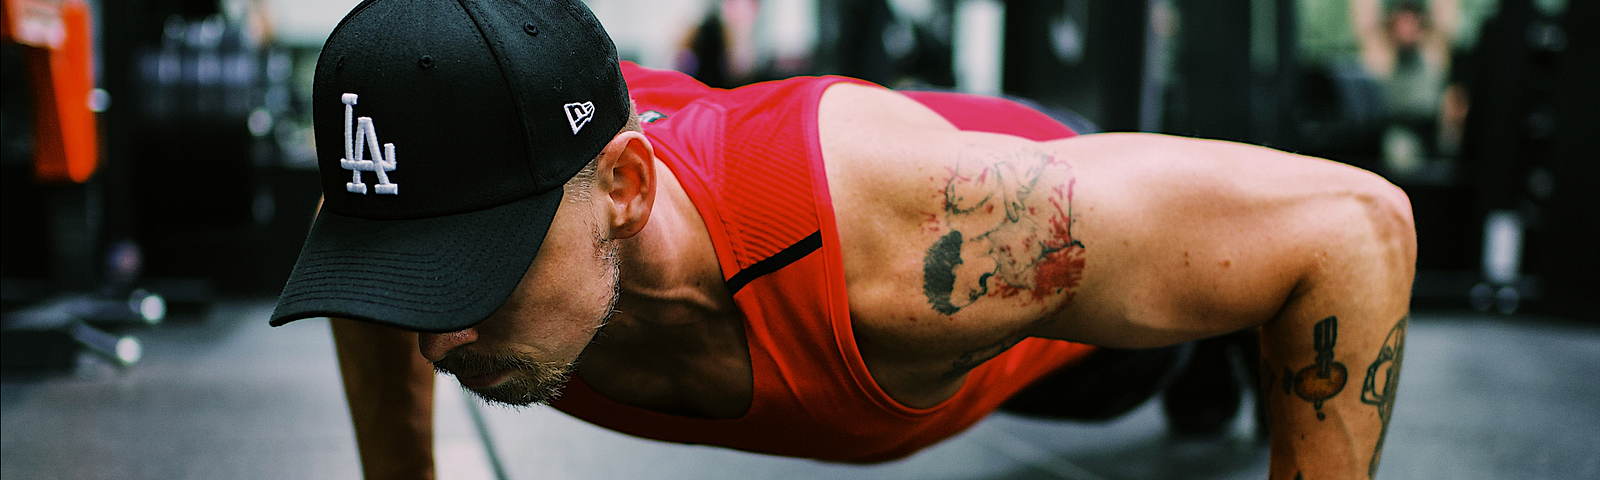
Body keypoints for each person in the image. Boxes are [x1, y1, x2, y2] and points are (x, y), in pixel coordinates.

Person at [270, 0, 1415, 479]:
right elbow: (360, 251)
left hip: (1065, 315)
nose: (438, 331)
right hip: (904, 336)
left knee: (1190, 349)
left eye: (474, 275)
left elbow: (1353, 227)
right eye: (412, 279)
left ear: (624, 185)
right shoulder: (410, 227)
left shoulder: (905, 233)